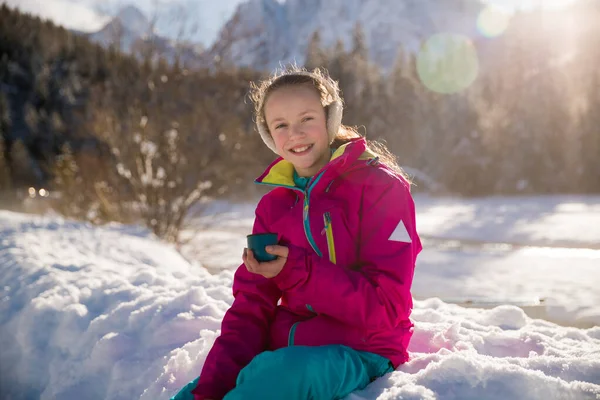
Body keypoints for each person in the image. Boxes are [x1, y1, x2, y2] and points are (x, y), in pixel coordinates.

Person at [171, 66, 422, 400]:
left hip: (363, 351)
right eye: (281, 125)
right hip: (285, 353)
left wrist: (299, 271)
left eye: (307, 119)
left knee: (281, 376)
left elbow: (386, 308)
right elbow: (251, 307)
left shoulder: (380, 188)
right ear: (268, 135)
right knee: (201, 393)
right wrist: (209, 388)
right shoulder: (274, 206)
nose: (295, 134)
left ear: (330, 118)